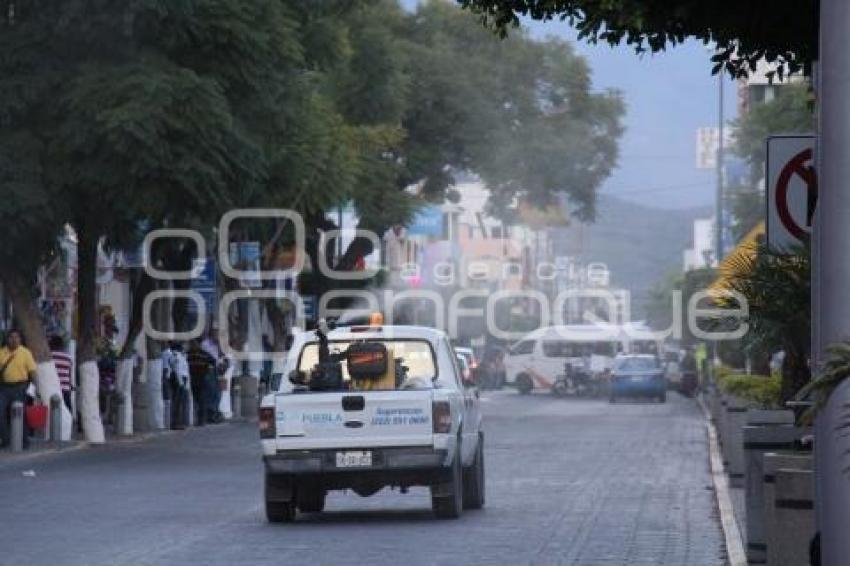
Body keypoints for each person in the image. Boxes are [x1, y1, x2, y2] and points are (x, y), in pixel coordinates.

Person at [0, 329, 38, 449]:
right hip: (5, 387)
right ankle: (6, 440)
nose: (14, 340)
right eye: (11, 337)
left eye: (17, 337)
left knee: (21, 414)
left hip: (21, 387)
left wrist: (35, 388)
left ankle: (24, 440)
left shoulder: (25, 352)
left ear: (20, 339)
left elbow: (32, 372)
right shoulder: (1, 352)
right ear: (7, 339)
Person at [187, 340, 215, 426]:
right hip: (192, 379)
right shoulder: (188, 354)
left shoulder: (204, 354)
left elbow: (213, 361)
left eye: (195, 344)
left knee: (201, 400)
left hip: (202, 379)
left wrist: (208, 370)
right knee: (196, 399)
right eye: (192, 344)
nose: (194, 346)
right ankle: (197, 419)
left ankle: (201, 420)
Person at [166, 343, 190, 429]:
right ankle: (175, 423)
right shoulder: (176, 355)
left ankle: (179, 422)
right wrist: (180, 382)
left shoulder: (182, 355)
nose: (186, 347)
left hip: (182, 379)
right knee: (177, 402)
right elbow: (177, 369)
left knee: (180, 402)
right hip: (178, 380)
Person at [49, 335, 74, 412]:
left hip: (52, 387)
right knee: (67, 408)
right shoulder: (68, 357)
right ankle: (70, 423)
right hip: (65, 387)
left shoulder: (49, 356)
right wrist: (70, 386)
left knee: (53, 410)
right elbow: (69, 374)